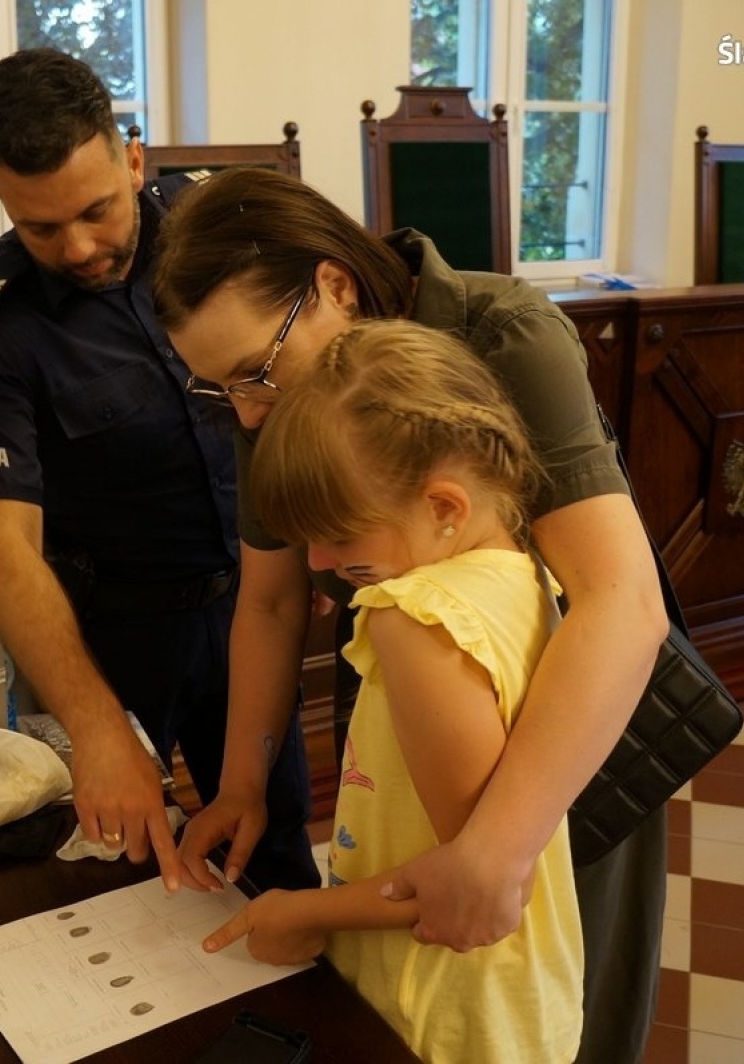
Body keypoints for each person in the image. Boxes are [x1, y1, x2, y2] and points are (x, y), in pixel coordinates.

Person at [152, 166, 668, 1063]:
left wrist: (496, 854)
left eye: (251, 376)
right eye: (219, 392)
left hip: (569, 713)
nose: (246, 411)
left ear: (334, 289)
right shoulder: (278, 394)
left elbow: (621, 599)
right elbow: (273, 597)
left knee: (557, 991)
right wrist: (241, 783)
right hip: (412, 680)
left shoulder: (500, 334)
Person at [0, 49, 318, 894]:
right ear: (0, 200)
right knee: (118, 879)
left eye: (96, 210)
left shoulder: (227, 228)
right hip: (111, 636)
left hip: (256, 599)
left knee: (274, 851)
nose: (77, 246)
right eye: (41, 227)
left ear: (134, 158)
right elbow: (6, 553)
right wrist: (98, 726)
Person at [202, 318, 581, 1062]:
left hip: (439, 1008)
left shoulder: (414, 618)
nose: (318, 559)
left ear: (443, 506)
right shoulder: (525, 573)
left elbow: (463, 884)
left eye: (340, 534)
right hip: (514, 997)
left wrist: (304, 910)